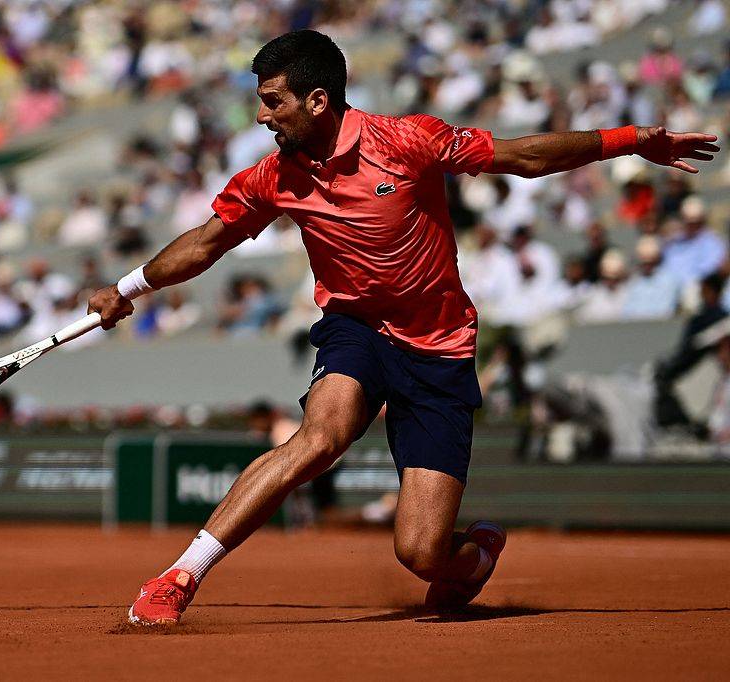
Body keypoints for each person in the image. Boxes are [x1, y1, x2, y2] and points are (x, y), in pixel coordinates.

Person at [86, 30, 720, 625]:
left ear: (317, 100)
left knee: (421, 554)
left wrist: (634, 140)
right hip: (355, 326)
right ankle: (179, 578)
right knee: (320, 437)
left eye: (272, 103)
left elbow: (523, 157)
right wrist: (126, 288)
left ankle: (473, 553)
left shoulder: (405, 140)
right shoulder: (271, 178)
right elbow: (204, 244)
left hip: (439, 345)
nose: (261, 118)